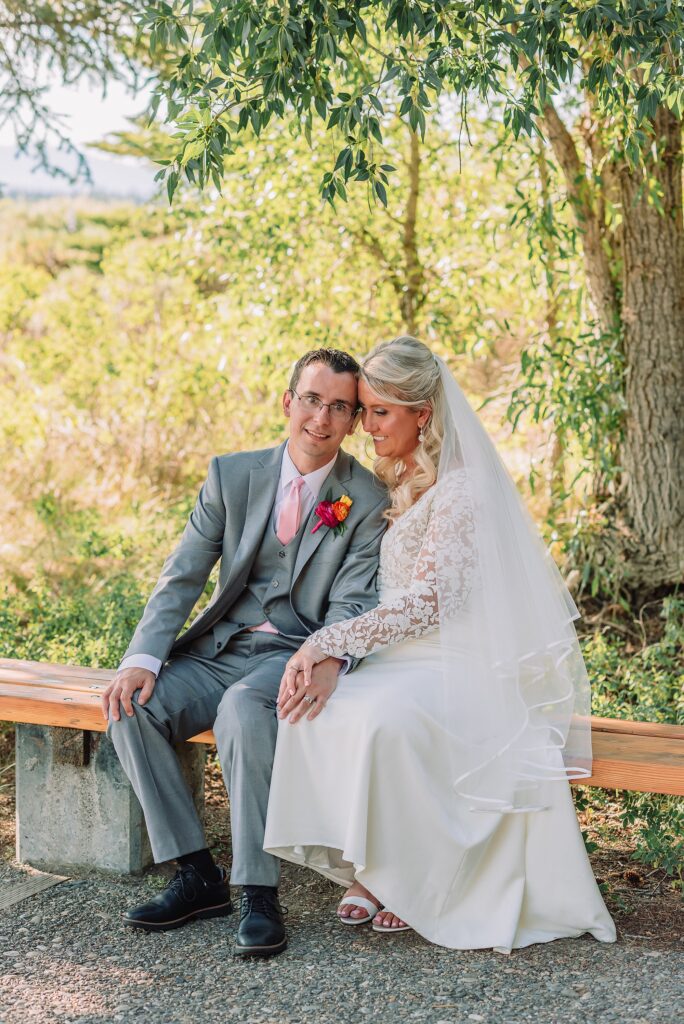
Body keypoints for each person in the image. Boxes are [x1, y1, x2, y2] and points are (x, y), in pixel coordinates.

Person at [264, 335, 616, 952]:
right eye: (364, 410)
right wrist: (336, 656)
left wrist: (330, 640)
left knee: (381, 718)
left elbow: (433, 601)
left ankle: (414, 881)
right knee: (318, 707)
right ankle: (367, 867)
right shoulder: (400, 477)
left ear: (421, 413)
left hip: (459, 659)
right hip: (398, 655)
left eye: (379, 412)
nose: (364, 426)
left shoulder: (462, 488)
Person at [103, 347, 388, 957]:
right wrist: (141, 658)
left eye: (340, 407)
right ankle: (196, 874)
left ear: (353, 420)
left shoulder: (364, 498)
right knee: (130, 705)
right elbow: (182, 574)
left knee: (240, 709)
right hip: (219, 647)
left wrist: (329, 656)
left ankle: (258, 890)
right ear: (288, 402)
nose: (322, 418)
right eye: (312, 400)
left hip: (293, 656)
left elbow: (356, 600)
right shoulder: (231, 475)